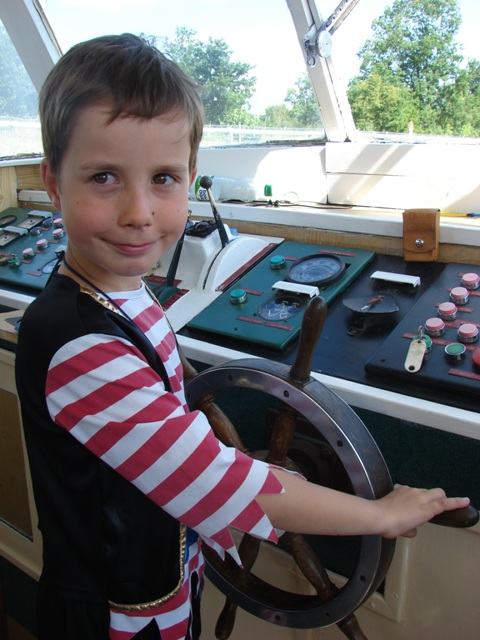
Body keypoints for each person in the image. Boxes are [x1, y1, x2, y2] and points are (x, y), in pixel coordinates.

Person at [15, 33, 470, 640]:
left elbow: (172, 439)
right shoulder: (81, 347)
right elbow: (217, 483)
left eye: (163, 178)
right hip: (114, 616)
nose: (138, 212)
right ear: (52, 182)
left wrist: (247, 467)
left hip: (162, 578)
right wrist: (378, 515)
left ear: (191, 178)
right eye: (103, 177)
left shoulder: (123, 290)